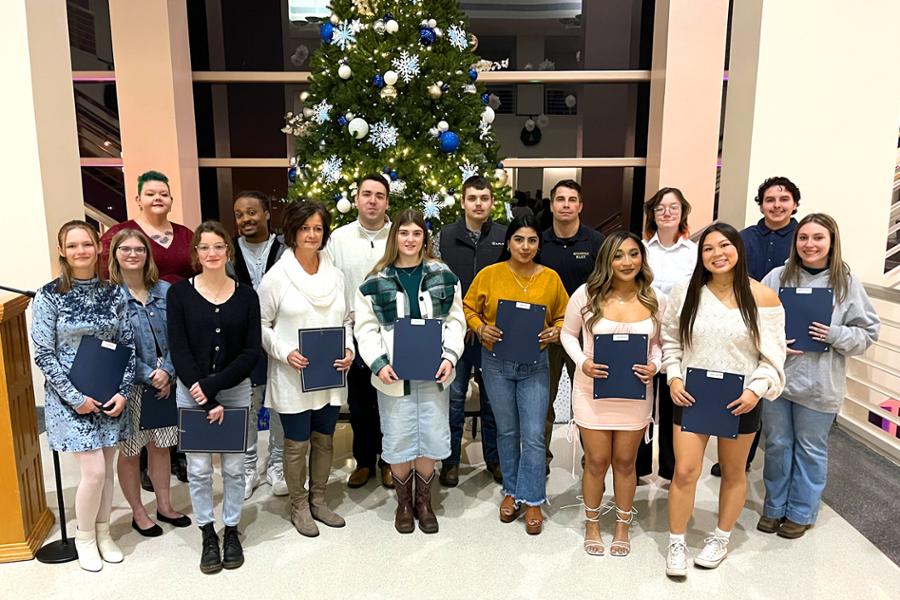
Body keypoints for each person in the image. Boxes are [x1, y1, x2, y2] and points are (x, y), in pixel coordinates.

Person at [661, 223, 786, 576]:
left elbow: (773, 357)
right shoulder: (686, 291)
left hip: (740, 399)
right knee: (684, 471)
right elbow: (670, 340)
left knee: (733, 471)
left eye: (725, 246)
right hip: (690, 395)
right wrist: (672, 376)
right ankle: (677, 541)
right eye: (708, 248)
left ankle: (720, 537)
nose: (717, 254)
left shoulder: (762, 297)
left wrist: (755, 390)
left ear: (739, 249)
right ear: (700, 256)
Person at [758, 214, 879, 538]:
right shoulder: (776, 277)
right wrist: (773, 342)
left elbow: (868, 332)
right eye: (804, 238)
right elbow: (754, 323)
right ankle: (774, 507)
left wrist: (835, 334)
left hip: (820, 384)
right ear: (795, 242)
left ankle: (801, 510)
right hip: (778, 382)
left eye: (818, 238)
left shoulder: (846, 283)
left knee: (811, 448)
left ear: (831, 242)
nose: (810, 244)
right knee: (778, 445)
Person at [32, 220, 134, 572]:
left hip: (109, 396)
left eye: (86, 244)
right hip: (69, 400)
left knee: (107, 471)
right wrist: (75, 398)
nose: (80, 251)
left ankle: (105, 533)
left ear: (98, 247)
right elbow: (44, 353)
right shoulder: (49, 295)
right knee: (92, 472)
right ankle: (85, 536)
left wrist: (122, 392)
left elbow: (128, 345)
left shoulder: (114, 292)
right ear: (62, 251)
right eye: (72, 245)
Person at [355, 209, 465, 534]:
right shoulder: (375, 282)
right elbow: (365, 329)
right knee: (400, 435)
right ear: (395, 238)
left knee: (430, 434)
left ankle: (424, 501)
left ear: (424, 238)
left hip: (435, 373)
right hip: (394, 377)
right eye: (404, 233)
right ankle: (403, 502)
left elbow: (457, 321)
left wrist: (450, 356)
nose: (410, 239)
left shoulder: (443, 275)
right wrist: (379, 362)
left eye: (417, 233)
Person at [464, 215, 569, 535]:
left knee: (534, 433)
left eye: (532, 240)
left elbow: (566, 316)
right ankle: (511, 491)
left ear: (539, 244)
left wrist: (557, 331)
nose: (525, 246)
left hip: (535, 365)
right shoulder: (490, 275)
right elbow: (468, 308)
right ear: (508, 242)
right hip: (496, 363)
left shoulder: (550, 278)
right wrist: (481, 328)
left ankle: (533, 498)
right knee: (507, 432)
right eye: (519, 240)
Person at [560, 231, 663, 556]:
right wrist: (582, 362)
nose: (627, 262)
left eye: (634, 254)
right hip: (592, 393)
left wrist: (655, 365)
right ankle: (592, 523)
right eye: (618, 255)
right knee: (597, 461)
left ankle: (622, 524)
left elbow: (662, 343)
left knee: (625, 462)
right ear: (607, 259)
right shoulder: (586, 295)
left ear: (642, 259)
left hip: (635, 394)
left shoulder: (655, 298)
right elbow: (567, 334)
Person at [167, 221, 261, 574]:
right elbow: (179, 348)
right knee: (200, 468)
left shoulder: (246, 295)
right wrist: (203, 395)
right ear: (196, 253)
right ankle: (207, 532)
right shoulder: (179, 295)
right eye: (204, 247)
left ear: (228, 251)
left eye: (218, 246)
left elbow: (252, 351)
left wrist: (216, 386)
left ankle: (232, 527)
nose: (211, 253)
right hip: (192, 393)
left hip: (234, 392)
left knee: (235, 469)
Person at [258, 201, 353, 537]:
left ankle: (319, 499)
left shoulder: (336, 275)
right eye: (305, 228)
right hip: (294, 374)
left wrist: (349, 348)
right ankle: (298, 504)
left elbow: (346, 319)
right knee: (297, 444)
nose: (312, 235)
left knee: (324, 440)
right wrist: (285, 352)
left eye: (318, 228)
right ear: (293, 232)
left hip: (328, 374)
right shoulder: (276, 278)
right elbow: (262, 324)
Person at [100, 170, 194, 485]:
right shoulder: (122, 234)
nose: (157, 198)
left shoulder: (184, 235)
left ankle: (175, 459)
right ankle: (141, 467)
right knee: (138, 420)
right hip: (134, 326)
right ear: (138, 199)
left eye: (163, 194)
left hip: (173, 325)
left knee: (172, 408)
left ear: (170, 199)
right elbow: (105, 276)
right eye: (150, 193)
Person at [710, 177, 801, 477]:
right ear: (761, 204)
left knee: (776, 420)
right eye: (770, 200)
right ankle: (740, 460)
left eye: (783, 199)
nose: (776, 205)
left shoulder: (803, 239)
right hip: (744, 331)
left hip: (791, 333)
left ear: (794, 204)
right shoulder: (742, 239)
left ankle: (771, 481)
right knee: (742, 396)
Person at [108, 229, 191, 537]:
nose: (133, 254)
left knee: (161, 447)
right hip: (130, 385)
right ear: (115, 254)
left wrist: (167, 372)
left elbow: (178, 337)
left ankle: (165, 506)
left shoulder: (167, 292)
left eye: (139, 249)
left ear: (148, 254)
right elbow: (114, 346)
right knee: (131, 452)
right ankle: (138, 511)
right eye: (125, 249)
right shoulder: (110, 298)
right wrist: (148, 374)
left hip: (166, 382)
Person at [431, 175, 504, 486]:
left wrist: (484, 324)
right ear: (462, 202)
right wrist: (464, 321)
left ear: (491, 202)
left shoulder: (504, 236)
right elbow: (435, 284)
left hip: (493, 335)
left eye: (484, 198)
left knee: (493, 401)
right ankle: (450, 462)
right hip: (455, 334)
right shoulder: (442, 237)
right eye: (472, 198)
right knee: (455, 399)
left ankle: (495, 460)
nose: (478, 203)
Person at [326, 175, 393, 490]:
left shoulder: (399, 235)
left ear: (387, 202)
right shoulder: (338, 238)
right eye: (366, 194)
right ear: (356, 199)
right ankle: (365, 461)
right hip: (353, 333)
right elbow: (330, 282)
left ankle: (390, 461)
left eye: (379, 195)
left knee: (391, 399)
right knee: (360, 403)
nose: (372, 201)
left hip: (392, 333)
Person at [538, 180, 605, 469]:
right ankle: (540, 456)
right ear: (551, 205)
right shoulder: (538, 242)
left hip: (587, 337)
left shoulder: (596, 243)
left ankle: (593, 454)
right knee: (543, 400)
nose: (566, 204)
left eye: (572, 199)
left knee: (590, 398)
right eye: (560, 199)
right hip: (547, 335)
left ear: (580, 206)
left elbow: (606, 287)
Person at [636, 187, 697, 482]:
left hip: (680, 336)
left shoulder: (695, 253)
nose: (667, 213)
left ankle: (671, 469)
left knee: (674, 401)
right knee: (642, 397)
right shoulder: (642, 251)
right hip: (646, 332)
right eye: (661, 208)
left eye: (673, 207)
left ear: (683, 212)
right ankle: (638, 467)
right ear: (653, 214)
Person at [231, 191, 287, 499]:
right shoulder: (227, 251)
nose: (246, 219)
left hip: (277, 339)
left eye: (252, 212)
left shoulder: (284, 249)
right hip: (243, 343)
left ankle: (276, 462)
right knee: (248, 404)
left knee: (277, 401)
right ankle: (249, 465)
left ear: (266, 213)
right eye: (240, 214)